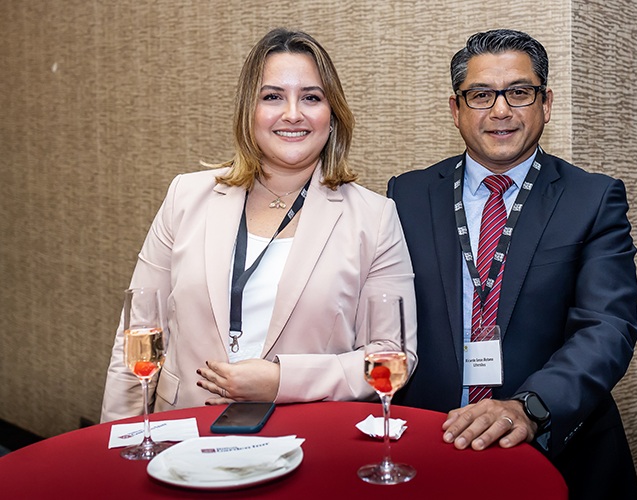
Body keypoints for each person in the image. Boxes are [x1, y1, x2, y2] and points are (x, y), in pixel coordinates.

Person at [101, 28, 417, 422]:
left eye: (311, 97)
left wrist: (283, 380)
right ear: (248, 112)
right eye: (272, 97)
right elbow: (137, 332)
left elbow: (392, 355)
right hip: (183, 429)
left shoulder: (374, 217)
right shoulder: (185, 196)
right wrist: (114, 440)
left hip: (308, 437)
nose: (293, 114)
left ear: (332, 115)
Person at [387, 29, 637, 499]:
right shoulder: (407, 194)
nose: (501, 110)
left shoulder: (592, 198)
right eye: (481, 95)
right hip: (430, 441)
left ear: (546, 104)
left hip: (557, 449)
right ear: (456, 109)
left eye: (519, 92)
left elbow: (608, 327)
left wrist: (529, 407)